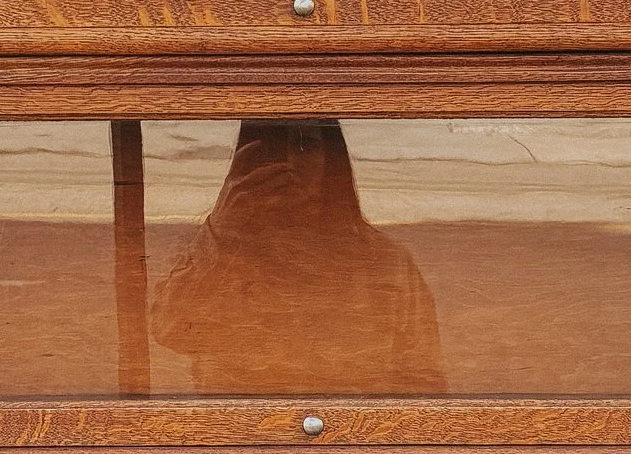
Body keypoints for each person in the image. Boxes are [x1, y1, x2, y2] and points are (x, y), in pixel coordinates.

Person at [149, 120, 446, 395]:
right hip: (239, 431)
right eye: (274, 148)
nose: (291, 162)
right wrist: (223, 231)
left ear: (332, 159)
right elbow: (169, 331)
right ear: (250, 159)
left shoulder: (384, 261)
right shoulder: (221, 252)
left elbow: (425, 381)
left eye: (307, 145)